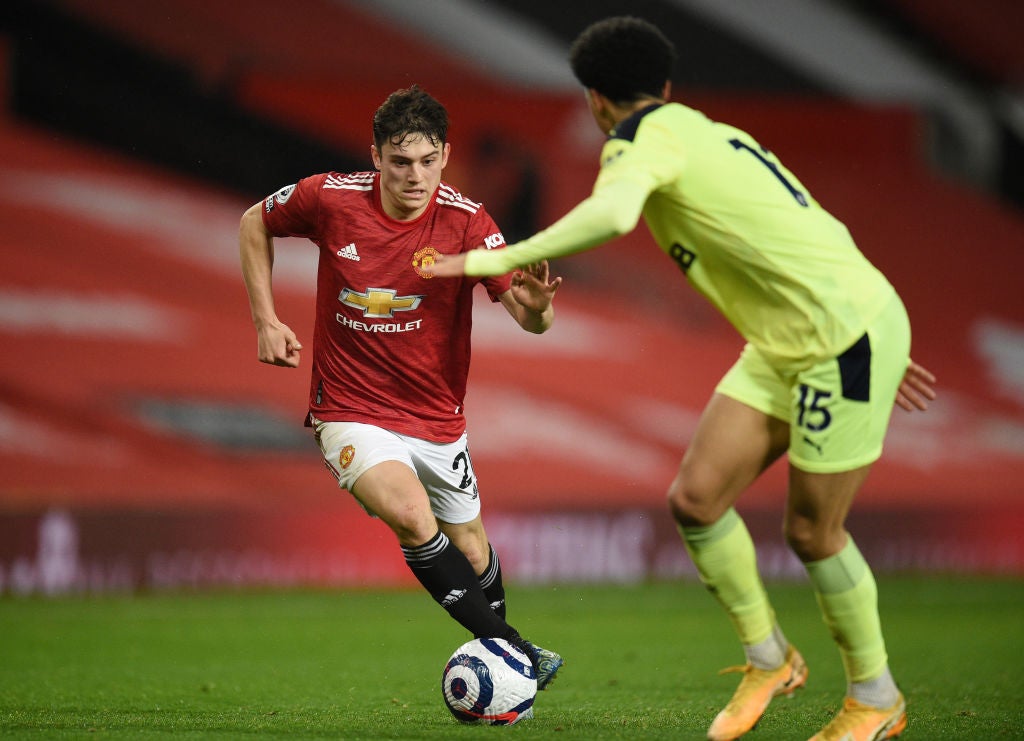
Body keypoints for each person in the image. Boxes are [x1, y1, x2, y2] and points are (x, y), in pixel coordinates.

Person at [426, 17, 937, 741]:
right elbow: (797, 224)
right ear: (664, 86)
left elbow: (614, 212)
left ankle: (876, 695)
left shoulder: (639, 143)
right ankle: (771, 658)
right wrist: (871, 316)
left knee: (813, 532)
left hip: (839, 342)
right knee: (697, 499)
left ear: (596, 101)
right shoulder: (705, 132)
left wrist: (483, 261)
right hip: (799, 334)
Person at [239, 85, 564, 692]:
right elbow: (253, 221)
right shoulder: (329, 199)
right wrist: (265, 319)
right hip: (349, 408)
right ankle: (517, 654)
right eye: (400, 161)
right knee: (414, 518)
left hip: (437, 417)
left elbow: (528, 316)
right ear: (376, 156)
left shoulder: (468, 222)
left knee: (472, 552)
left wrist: (541, 310)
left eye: (427, 161)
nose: (415, 176)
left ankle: (508, 660)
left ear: (445, 156)